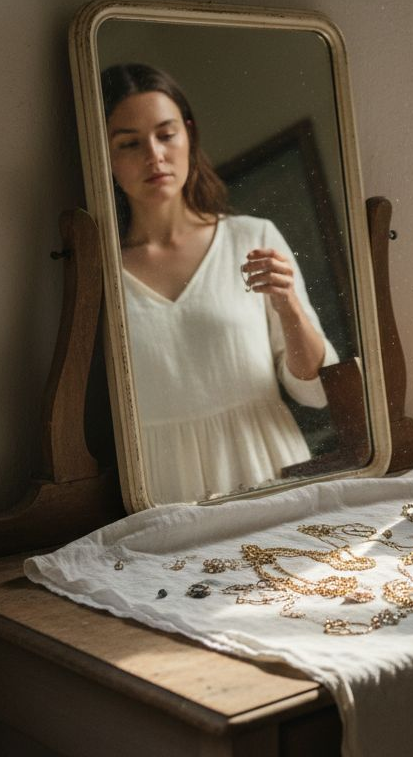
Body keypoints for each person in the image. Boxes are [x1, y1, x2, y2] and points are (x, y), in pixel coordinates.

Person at [101, 63, 337, 504]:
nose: (153, 155)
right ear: (104, 156)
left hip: (270, 468)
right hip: (158, 491)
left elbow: (317, 392)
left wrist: (289, 308)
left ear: (188, 134)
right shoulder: (97, 272)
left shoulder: (253, 238)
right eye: (129, 143)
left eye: (166, 134)